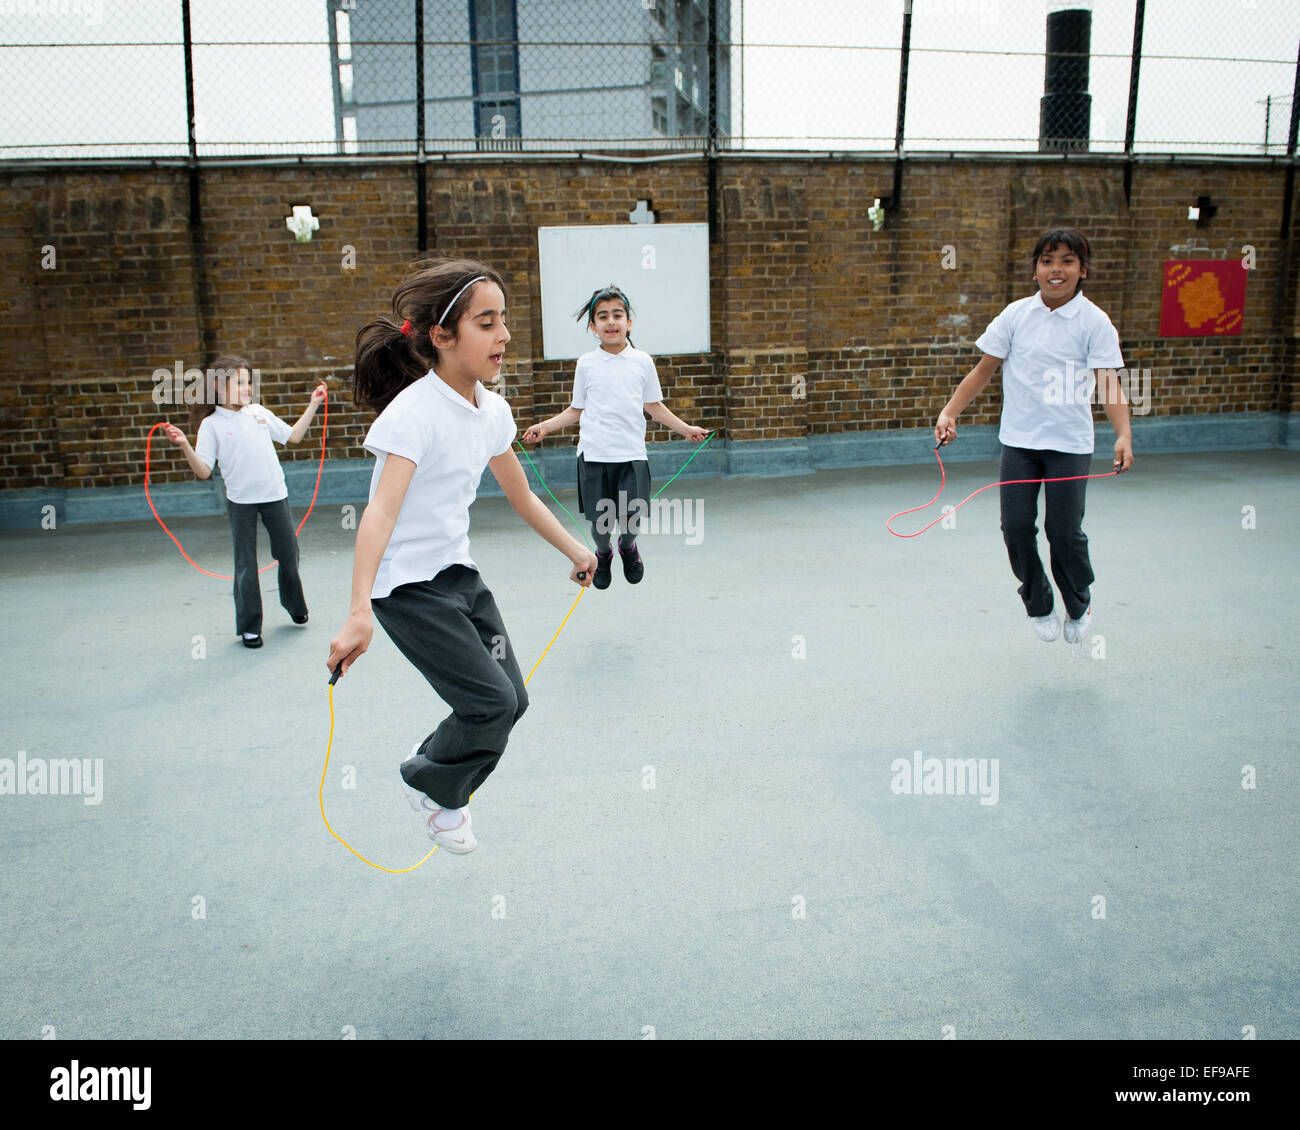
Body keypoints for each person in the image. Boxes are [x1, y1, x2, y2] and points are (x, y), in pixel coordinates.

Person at [325, 260, 596, 855]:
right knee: (489, 703)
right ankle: (431, 785)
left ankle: (434, 780)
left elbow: (521, 495)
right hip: (406, 589)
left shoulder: (493, 411)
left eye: (504, 321)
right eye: (486, 322)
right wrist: (357, 611)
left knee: (513, 701)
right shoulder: (413, 414)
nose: (503, 335)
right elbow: (380, 514)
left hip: (458, 576)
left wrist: (577, 548)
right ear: (441, 337)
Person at [934, 227, 1133, 645]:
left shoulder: (1094, 322)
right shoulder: (1015, 315)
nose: (1055, 270)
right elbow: (982, 371)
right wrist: (950, 411)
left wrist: (1123, 435)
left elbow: (1109, 383)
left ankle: (1078, 601)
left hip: (1069, 447)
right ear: (1035, 269)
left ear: (1082, 271)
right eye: (1047, 261)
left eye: (1066, 261)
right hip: (1019, 444)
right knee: (1017, 528)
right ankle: (1038, 601)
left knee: (1064, 533)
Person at [522, 284, 706, 589]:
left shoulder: (642, 362)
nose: (611, 322)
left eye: (617, 315)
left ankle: (627, 548)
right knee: (600, 523)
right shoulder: (587, 364)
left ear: (628, 323)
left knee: (632, 519)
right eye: (603, 316)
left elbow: (654, 406)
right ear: (594, 326)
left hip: (632, 456)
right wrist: (545, 427)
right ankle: (604, 553)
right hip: (594, 456)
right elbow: (575, 410)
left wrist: (686, 429)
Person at [163, 357, 326, 648]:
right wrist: (184, 444)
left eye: (248, 381)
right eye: (239, 382)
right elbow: (203, 470)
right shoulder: (211, 425)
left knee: (288, 555)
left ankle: (296, 606)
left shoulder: (258, 413)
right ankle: (250, 627)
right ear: (218, 386)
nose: (247, 387)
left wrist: (313, 404)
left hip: (275, 495)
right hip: (241, 503)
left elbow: (294, 436)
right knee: (245, 565)